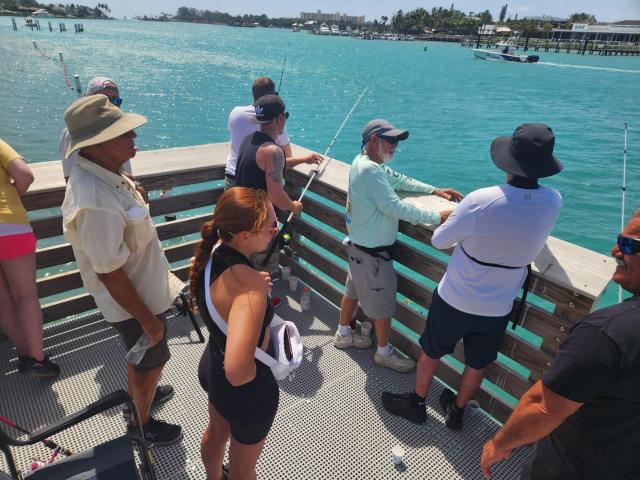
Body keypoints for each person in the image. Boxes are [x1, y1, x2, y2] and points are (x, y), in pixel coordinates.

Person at [382, 123, 563, 429]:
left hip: (456, 296)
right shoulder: (554, 200)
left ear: (509, 161)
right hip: (500, 305)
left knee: (432, 349)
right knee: (478, 361)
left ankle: (417, 403)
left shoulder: (482, 199)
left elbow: (439, 240)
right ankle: (458, 410)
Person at [61, 95, 184, 446]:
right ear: (97, 144)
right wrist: (147, 320)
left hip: (145, 292)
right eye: (124, 133)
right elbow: (110, 273)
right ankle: (141, 424)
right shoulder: (94, 198)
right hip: (135, 304)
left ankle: (141, 397)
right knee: (150, 361)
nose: (134, 138)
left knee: (145, 360)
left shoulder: (108, 175)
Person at [481, 212, 640, 480]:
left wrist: (499, 443)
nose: (615, 250)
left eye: (629, 245)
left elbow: (543, 406)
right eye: (618, 241)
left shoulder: (607, 332)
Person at [335, 119, 462, 373]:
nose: (394, 145)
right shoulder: (372, 171)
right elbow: (395, 207)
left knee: (352, 290)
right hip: (373, 256)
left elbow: (401, 180)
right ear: (373, 140)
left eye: (396, 141)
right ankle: (383, 352)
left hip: (358, 248)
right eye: (390, 140)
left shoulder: (363, 163)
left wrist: (434, 190)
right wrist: (438, 217)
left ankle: (343, 334)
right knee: (383, 307)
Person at [191, 187, 279, 480]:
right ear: (244, 235)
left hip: (213, 362)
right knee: (243, 469)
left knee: (216, 432)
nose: (275, 231)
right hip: (246, 393)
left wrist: (255, 281)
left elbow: (222, 295)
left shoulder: (214, 249)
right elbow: (238, 372)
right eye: (271, 226)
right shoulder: (249, 290)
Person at [234, 94, 320, 278]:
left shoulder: (249, 140)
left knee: (243, 272)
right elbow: (275, 194)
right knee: (262, 277)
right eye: (285, 116)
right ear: (280, 118)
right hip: (259, 227)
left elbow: (272, 165)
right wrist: (293, 206)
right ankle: (263, 305)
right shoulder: (273, 151)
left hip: (240, 220)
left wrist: (303, 159)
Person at [0, 139, 60, 377]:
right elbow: (25, 175)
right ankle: (37, 359)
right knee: (25, 295)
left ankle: (25, 355)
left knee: (3, 301)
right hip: (10, 224)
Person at [225, 76, 322, 190]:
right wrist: (305, 159)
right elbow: (285, 159)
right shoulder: (274, 124)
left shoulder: (236, 113)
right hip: (255, 187)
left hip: (231, 180)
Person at [59, 77, 132, 181]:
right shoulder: (72, 134)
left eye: (116, 100)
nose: (110, 105)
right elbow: (71, 180)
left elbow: (127, 172)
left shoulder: (121, 129)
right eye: (103, 100)